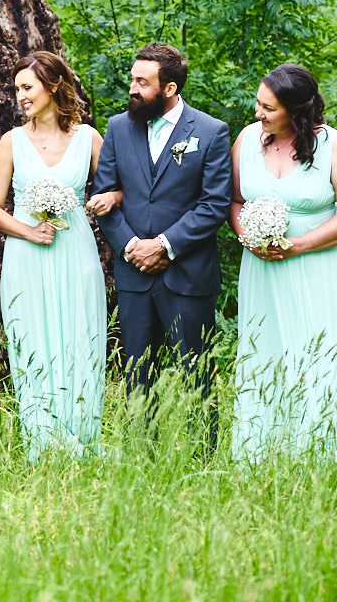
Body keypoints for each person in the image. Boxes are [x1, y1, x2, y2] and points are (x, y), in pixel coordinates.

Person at [230, 63, 337, 460]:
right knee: (267, 353)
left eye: (269, 108)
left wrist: (301, 244)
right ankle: (264, 451)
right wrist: (248, 235)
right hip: (262, 269)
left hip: (319, 268)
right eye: (258, 104)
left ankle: (329, 451)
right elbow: (235, 200)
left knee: (320, 355)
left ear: (296, 111)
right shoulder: (247, 139)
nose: (259, 113)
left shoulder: (332, 145)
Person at [89, 43, 231, 417]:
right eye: (132, 80)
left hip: (187, 274)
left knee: (197, 375)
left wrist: (165, 246)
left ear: (169, 88)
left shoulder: (210, 131)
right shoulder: (119, 128)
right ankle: (140, 460)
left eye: (142, 82)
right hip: (134, 273)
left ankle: (204, 458)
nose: (132, 89)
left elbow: (214, 204)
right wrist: (134, 246)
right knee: (137, 376)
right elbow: (102, 196)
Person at [0, 52, 114, 461]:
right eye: (18, 89)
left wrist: (107, 196)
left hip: (76, 252)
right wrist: (28, 230)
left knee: (80, 340)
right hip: (27, 258)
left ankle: (83, 440)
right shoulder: (12, 142)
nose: (20, 96)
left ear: (53, 86)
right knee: (34, 340)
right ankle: (42, 441)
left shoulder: (88, 138)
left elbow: (120, 187)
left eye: (28, 87)